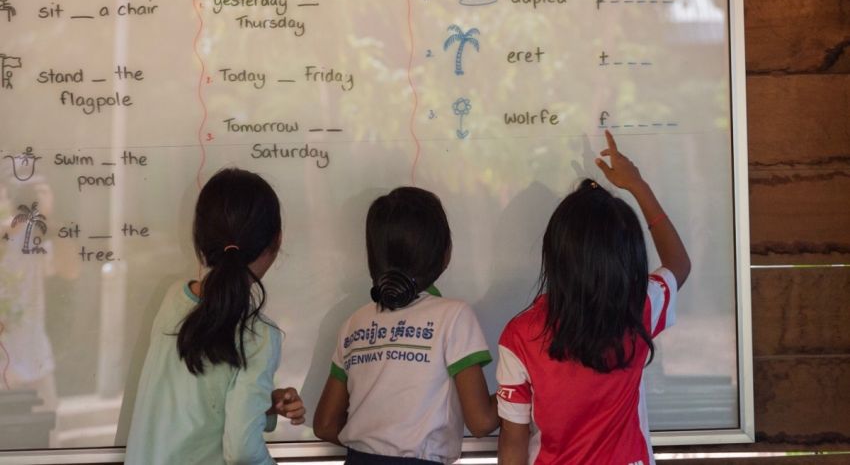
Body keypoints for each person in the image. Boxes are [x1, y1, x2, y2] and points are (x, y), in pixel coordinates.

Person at [496, 131, 691, 465]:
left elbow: (513, 440)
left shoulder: (520, 335)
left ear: (554, 255)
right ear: (629, 258)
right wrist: (637, 186)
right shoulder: (639, 308)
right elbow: (678, 263)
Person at [125, 168, 305, 465]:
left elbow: (194, 405)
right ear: (277, 241)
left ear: (200, 240)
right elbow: (244, 452)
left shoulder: (174, 299)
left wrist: (264, 404)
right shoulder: (259, 336)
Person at [313, 186, 498, 465]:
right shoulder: (453, 316)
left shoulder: (355, 322)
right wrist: (526, 387)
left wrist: (375, 442)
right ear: (445, 253)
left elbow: (325, 424)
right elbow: (482, 422)